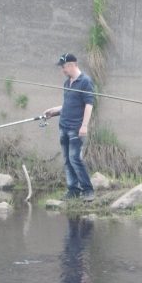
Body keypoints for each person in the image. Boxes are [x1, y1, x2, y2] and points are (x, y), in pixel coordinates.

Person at [44, 53, 95, 201]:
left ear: (72, 65)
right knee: (67, 160)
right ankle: (73, 189)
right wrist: (54, 111)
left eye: (64, 67)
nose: (63, 70)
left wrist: (84, 125)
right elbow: (68, 105)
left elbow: (89, 105)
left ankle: (88, 190)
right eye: (62, 67)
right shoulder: (67, 83)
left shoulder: (85, 81)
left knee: (75, 159)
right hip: (63, 127)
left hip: (76, 128)